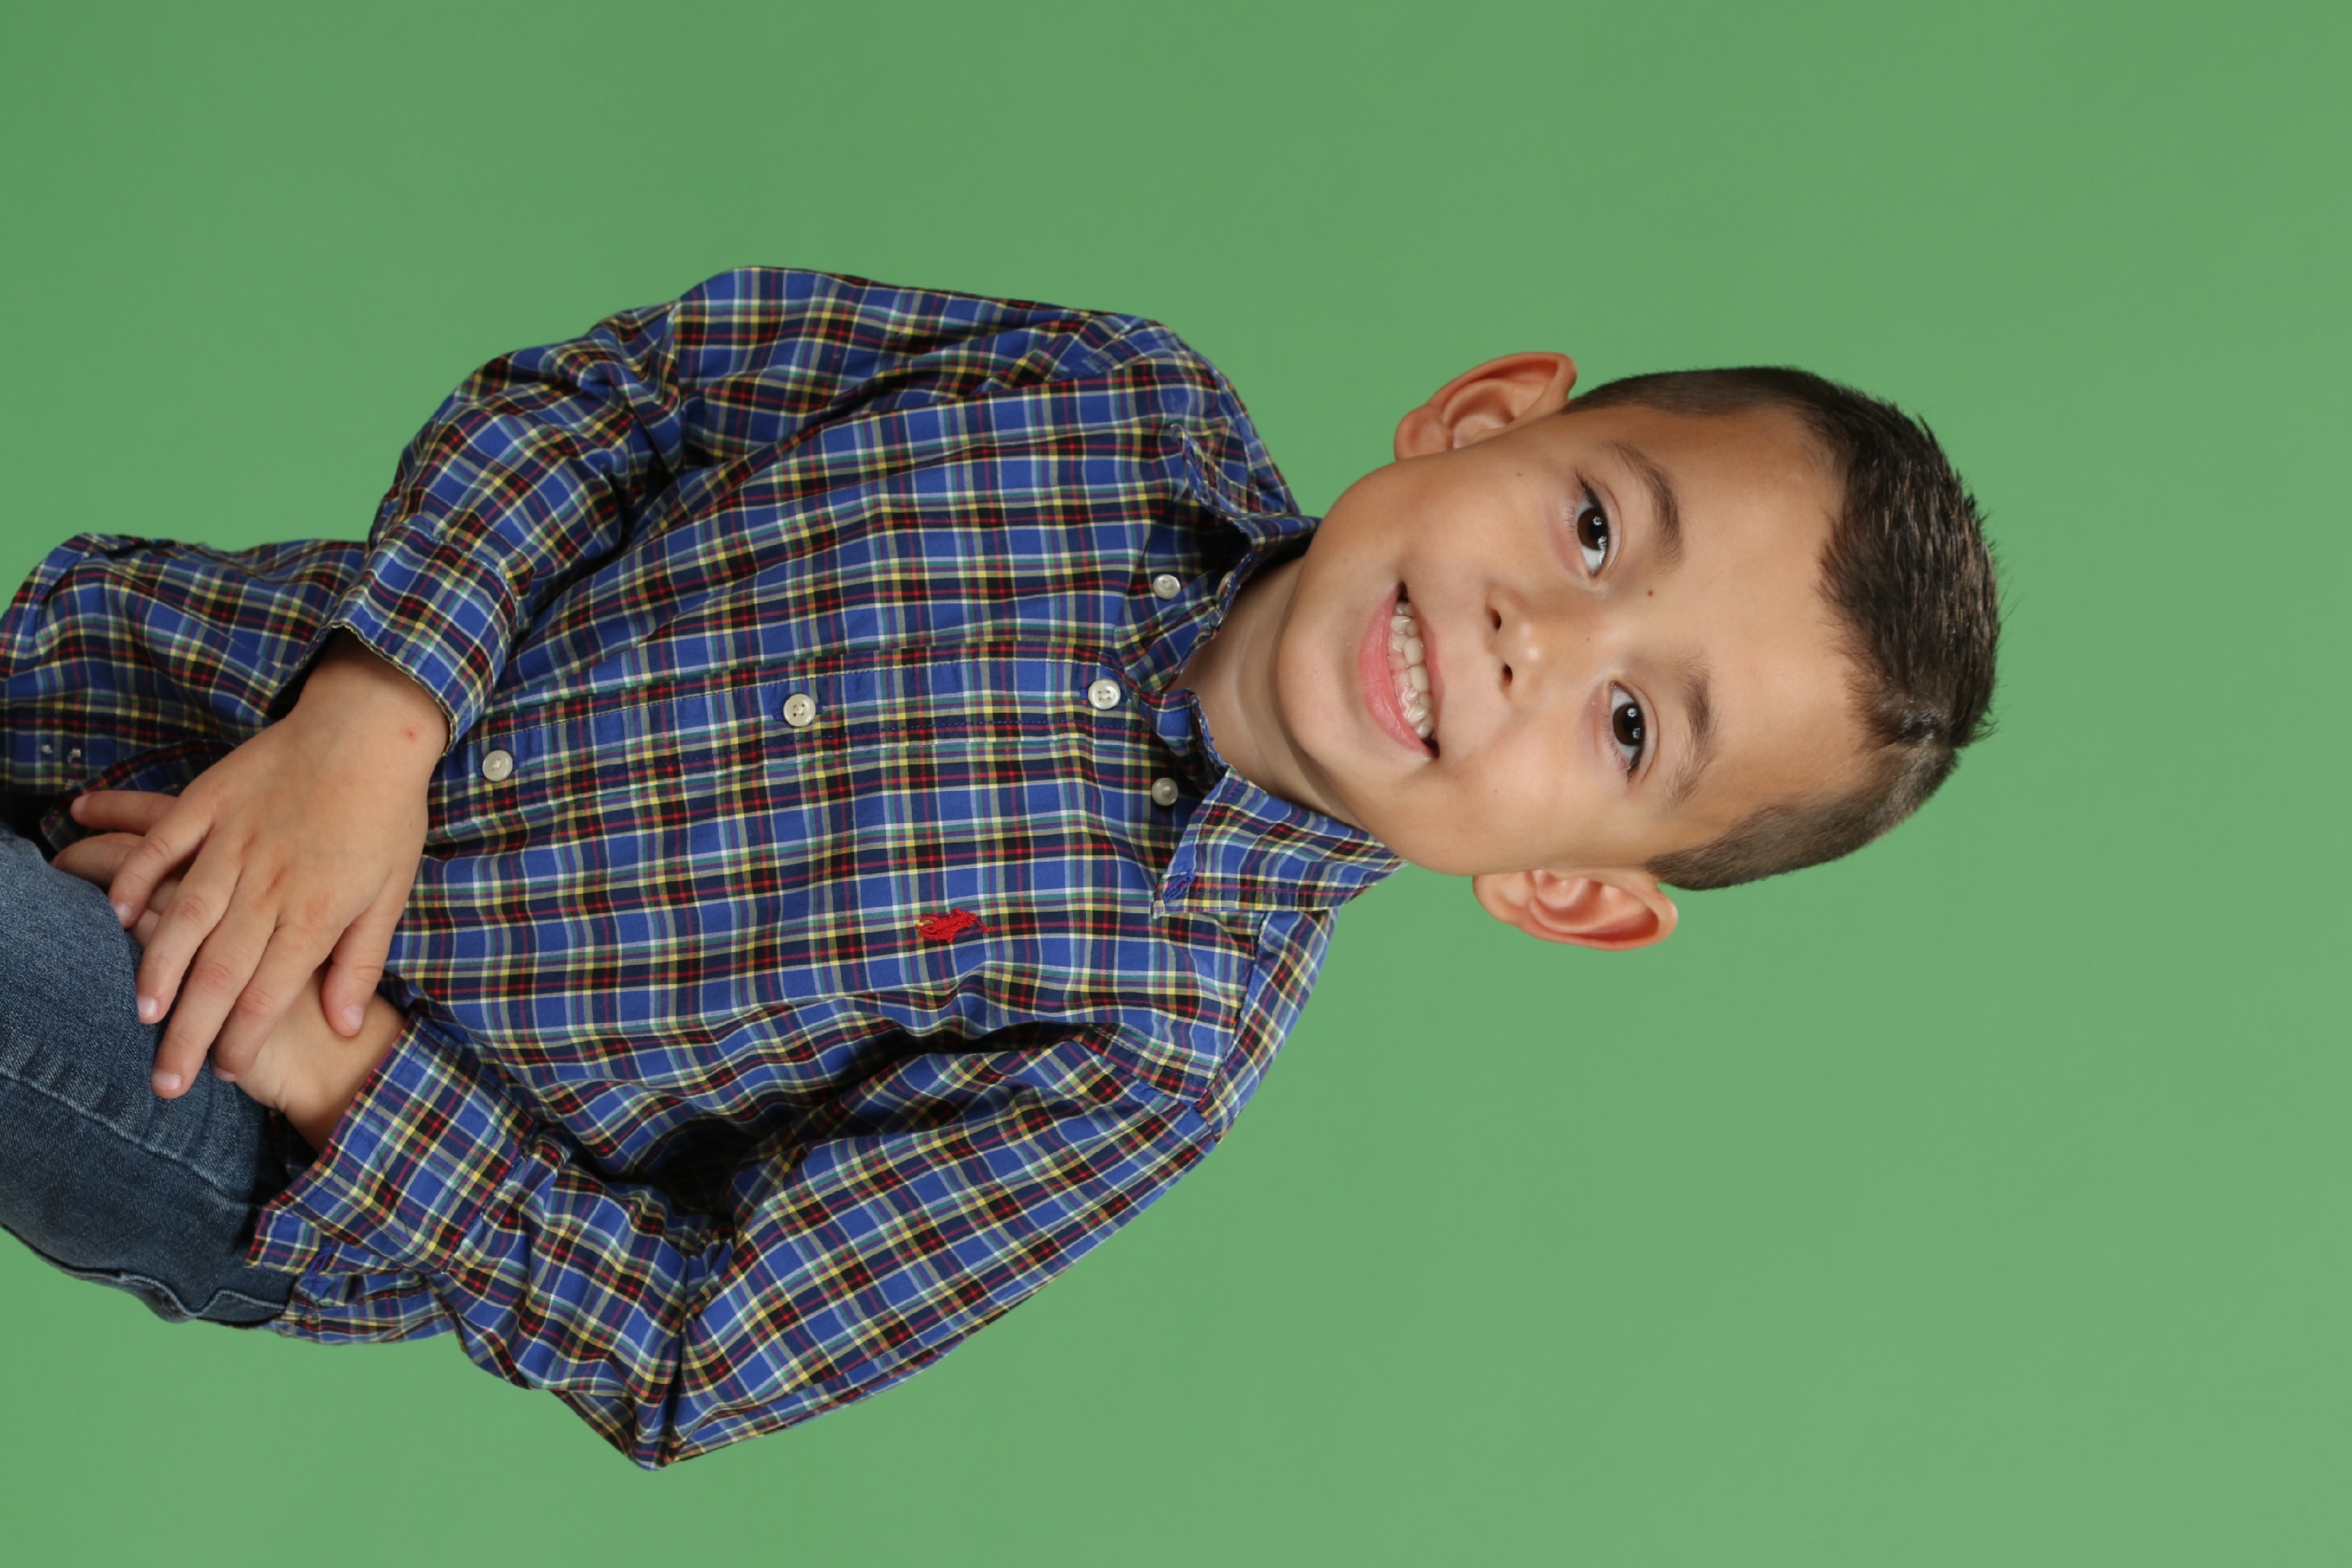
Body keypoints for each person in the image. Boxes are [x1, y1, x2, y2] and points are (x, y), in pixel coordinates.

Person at [0, 267, 1998, 1466]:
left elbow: (705, 1342)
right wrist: (380, 717)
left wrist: (343, 1072)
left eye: (1631, 728)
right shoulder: (1099, 397)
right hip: (151, 680)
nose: (1531, 646)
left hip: (231, 1087)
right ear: (1485, 416)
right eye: (1594, 532)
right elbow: (618, 396)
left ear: (1569, 889)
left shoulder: (1152, 1043)